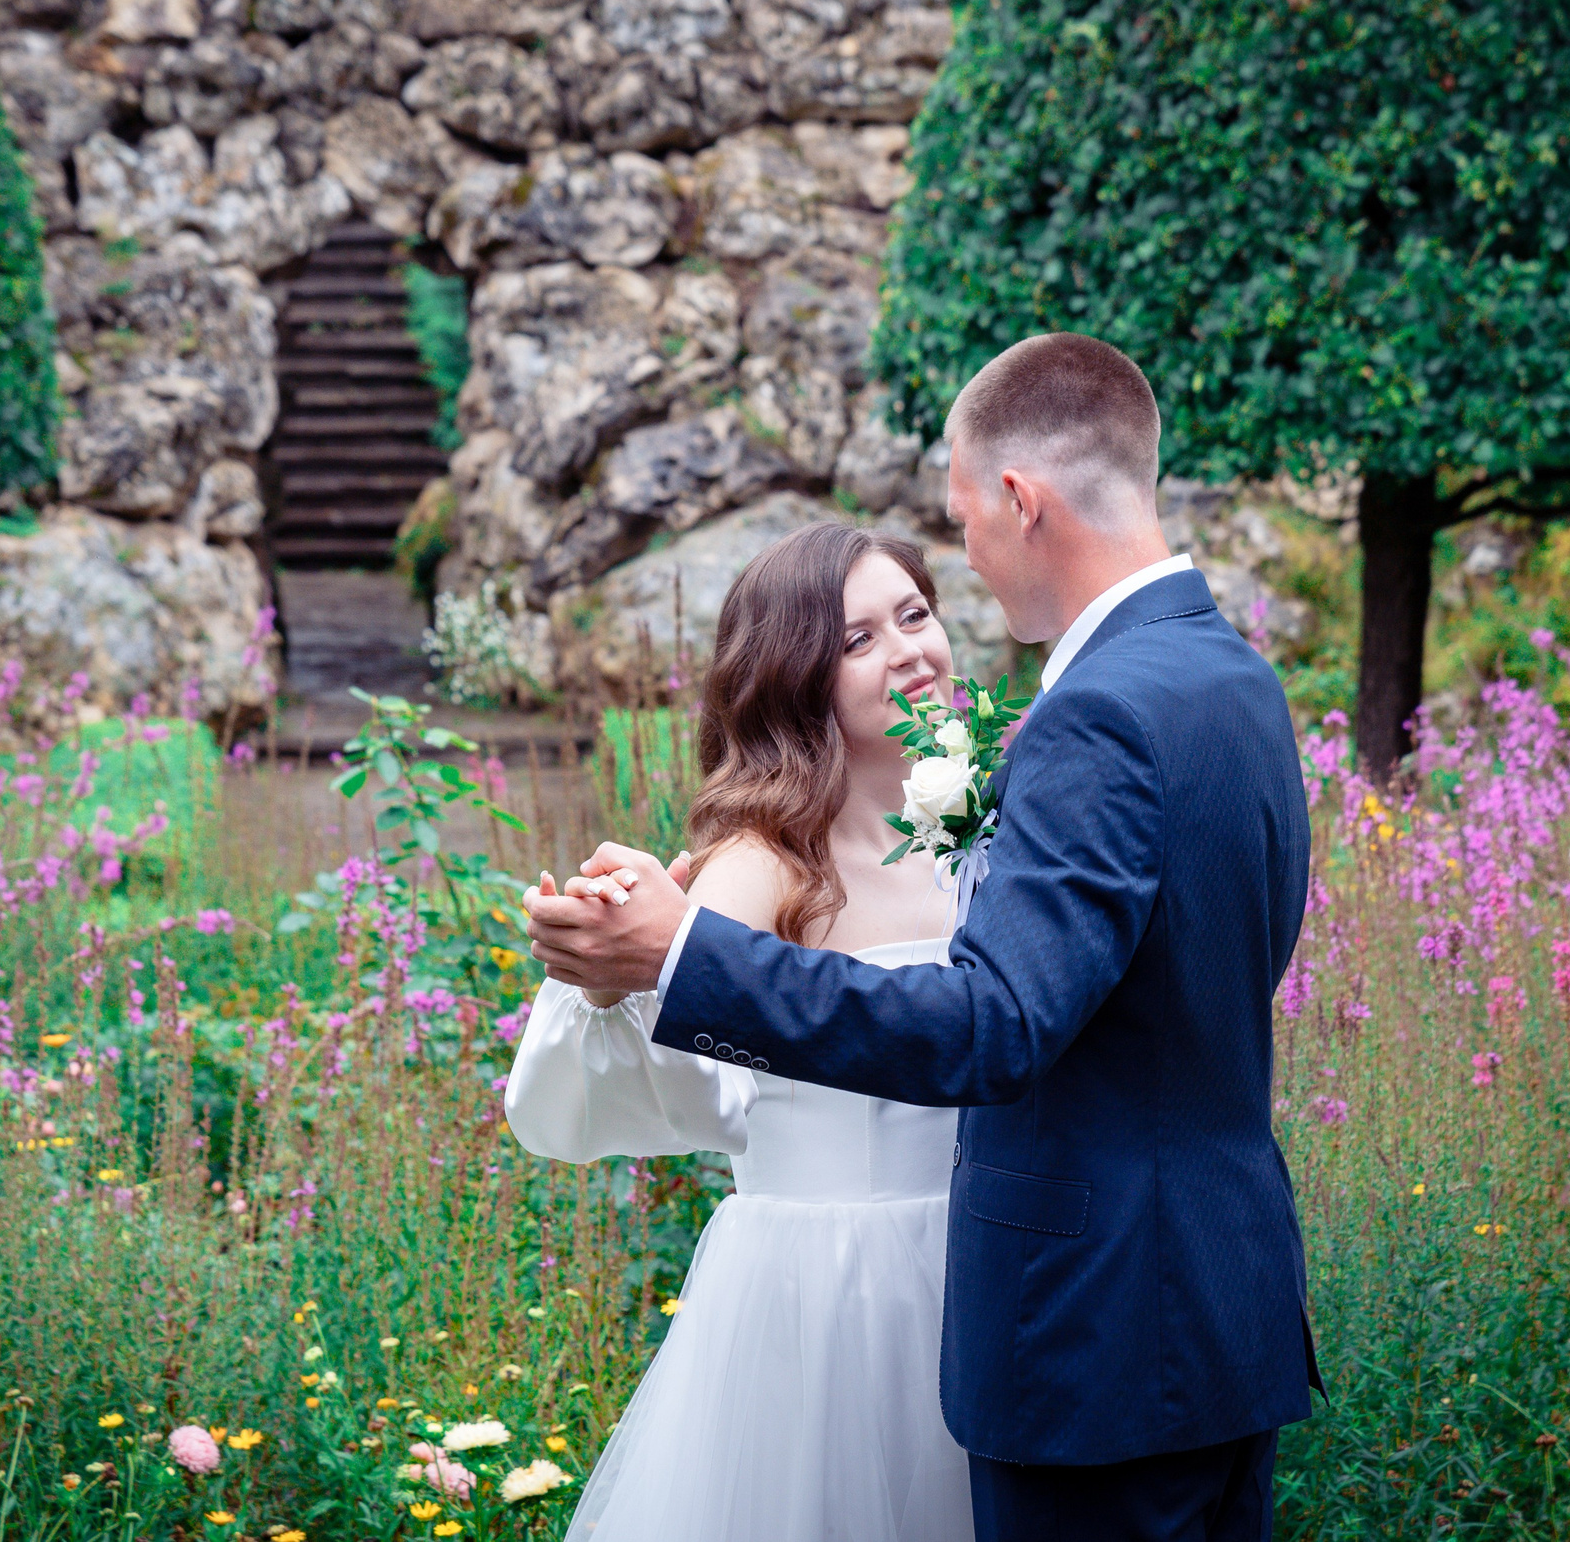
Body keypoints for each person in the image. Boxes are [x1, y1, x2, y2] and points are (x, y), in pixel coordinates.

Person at [524, 333, 1319, 1542]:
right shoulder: (1233, 679)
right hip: (1198, 1307)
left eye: (952, 542)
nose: (956, 587)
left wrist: (679, 951)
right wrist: (628, 966)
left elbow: (996, 1024)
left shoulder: (1084, 721)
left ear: (1017, 498)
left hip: (1089, 1327)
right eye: (859, 634)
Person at [502, 522, 974, 1542]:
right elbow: (689, 1075)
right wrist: (607, 979)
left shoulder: (980, 828)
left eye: (915, 614)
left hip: (985, 1266)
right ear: (795, 678)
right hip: (827, 1299)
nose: (908, 650)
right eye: (855, 640)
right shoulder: (766, 865)